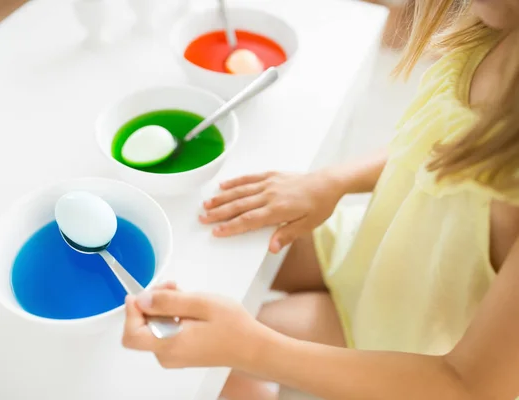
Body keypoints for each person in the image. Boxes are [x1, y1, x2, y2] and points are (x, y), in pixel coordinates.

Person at [122, 0, 519, 398]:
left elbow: (470, 386)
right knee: (206, 242)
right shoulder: (497, 28)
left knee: (206, 367)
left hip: (403, 346)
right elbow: (445, 148)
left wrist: (248, 347)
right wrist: (332, 181)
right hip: (372, 249)